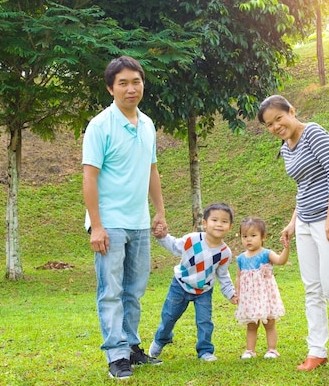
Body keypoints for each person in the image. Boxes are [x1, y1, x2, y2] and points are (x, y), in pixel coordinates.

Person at [257, 94, 329, 370]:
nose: (276, 126)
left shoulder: (313, 133)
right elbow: (304, 187)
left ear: (291, 111)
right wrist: (294, 221)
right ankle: (317, 350)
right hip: (305, 222)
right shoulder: (286, 147)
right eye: (269, 124)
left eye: (279, 118)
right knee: (312, 289)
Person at [82, 56, 166, 379]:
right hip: (110, 223)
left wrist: (159, 211)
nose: (131, 89)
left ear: (143, 84)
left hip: (139, 221)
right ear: (110, 88)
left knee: (134, 289)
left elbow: (152, 170)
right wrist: (97, 225)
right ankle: (116, 355)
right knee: (111, 290)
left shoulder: (147, 124)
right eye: (123, 83)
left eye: (136, 81)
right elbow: (89, 177)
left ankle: (132, 346)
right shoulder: (100, 126)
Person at [148, 203, 239, 362]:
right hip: (180, 285)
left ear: (230, 227)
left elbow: (223, 275)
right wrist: (161, 236)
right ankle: (160, 340)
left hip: (204, 291)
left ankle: (205, 351)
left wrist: (231, 293)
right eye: (214, 220)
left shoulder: (225, 252)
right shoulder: (192, 239)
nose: (219, 224)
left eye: (224, 222)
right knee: (169, 316)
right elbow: (174, 246)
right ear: (204, 223)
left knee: (205, 321)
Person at [235, 217, 289, 360]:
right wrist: (237, 293)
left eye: (253, 236)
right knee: (251, 325)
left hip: (265, 296)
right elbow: (239, 277)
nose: (248, 240)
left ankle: (272, 350)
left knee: (269, 323)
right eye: (244, 236)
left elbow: (280, 261)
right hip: (249, 297)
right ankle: (250, 350)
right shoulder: (240, 258)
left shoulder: (266, 254)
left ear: (263, 237)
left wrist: (286, 248)